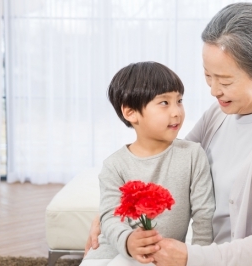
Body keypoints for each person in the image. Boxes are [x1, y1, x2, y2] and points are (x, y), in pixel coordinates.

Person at [84, 2, 252, 266]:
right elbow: (168, 165)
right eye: (208, 76)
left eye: (226, 81)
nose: (214, 90)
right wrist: (111, 215)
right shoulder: (220, 114)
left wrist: (190, 257)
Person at [81, 62, 215, 266]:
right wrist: (127, 241)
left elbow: (204, 215)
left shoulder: (192, 155)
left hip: (162, 255)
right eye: (164, 103)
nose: (176, 111)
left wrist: (199, 259)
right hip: (111, 251)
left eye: (179, 101)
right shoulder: (114, 165)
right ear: (131, 113)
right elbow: (110, 217)